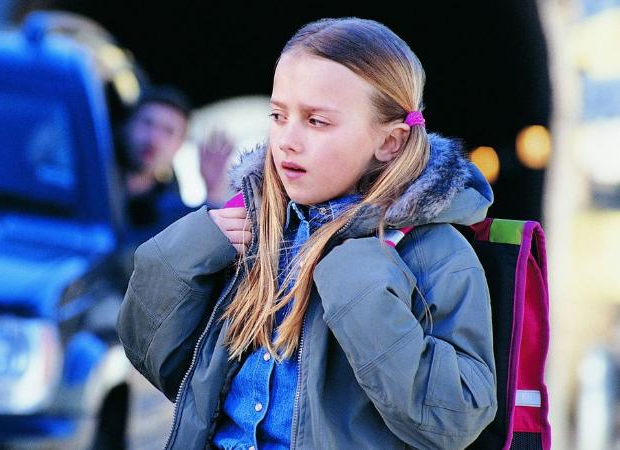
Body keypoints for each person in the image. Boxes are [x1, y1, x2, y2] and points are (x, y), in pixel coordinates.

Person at [117, 17, 496, 450]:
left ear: (390, 142)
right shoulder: (254, 230)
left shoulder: (434, 253)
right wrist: (178, 258)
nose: (287, 141)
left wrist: (360, 289)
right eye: (278, 116)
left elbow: (455, 420)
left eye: (317, 121)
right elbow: (174, 372)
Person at [116, 84, 234, 236]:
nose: (154, 139)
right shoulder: (88, 169)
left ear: (179, 145)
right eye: (147, 123)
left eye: (168, 132)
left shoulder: (166, 208)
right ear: (127, 125)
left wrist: (213, 192)